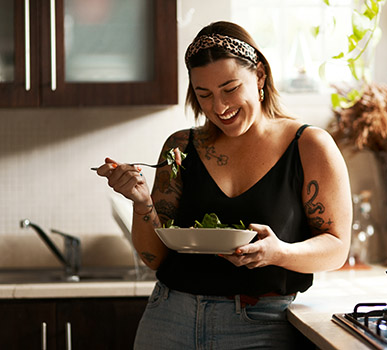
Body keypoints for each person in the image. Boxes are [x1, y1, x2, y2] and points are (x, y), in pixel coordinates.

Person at [96, 21, 352, 350]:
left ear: (259, 75)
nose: (219, 107)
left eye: (230, 89)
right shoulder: (181, 147)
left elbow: (336, 248)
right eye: (205, 95)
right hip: (168, 318)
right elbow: (155, 258)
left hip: (262, 325)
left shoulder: (309, 145)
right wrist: (141, 202)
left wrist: (278, 253)